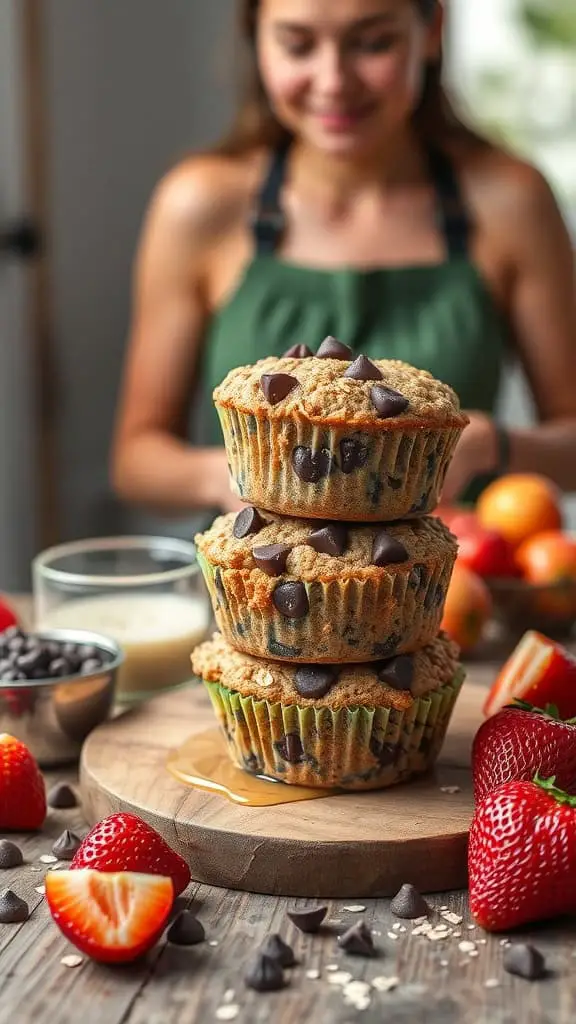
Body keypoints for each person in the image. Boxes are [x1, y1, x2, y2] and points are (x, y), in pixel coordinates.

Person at [111, 0, 576, 519]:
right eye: (297, 45)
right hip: (261, 589)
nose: (333, 81)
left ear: (430, 32)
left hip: (450, 584)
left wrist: (492, 442)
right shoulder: (199, 205)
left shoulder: (510, 202)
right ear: (257, 41)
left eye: (372, 43)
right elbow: (137, 459)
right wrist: (241, 472)